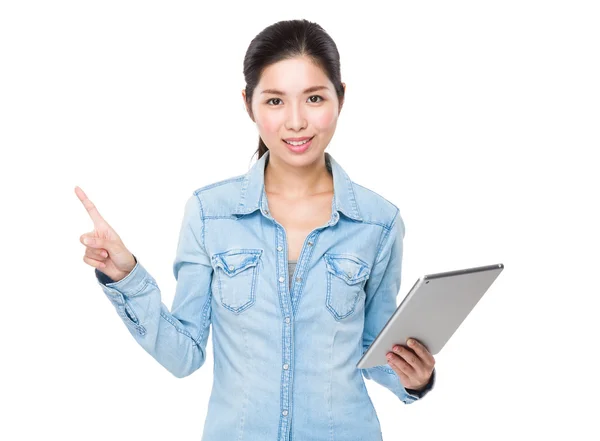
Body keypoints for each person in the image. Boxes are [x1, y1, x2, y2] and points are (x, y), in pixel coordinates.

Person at [76, 18, 436, 441]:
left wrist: (416, 379)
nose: (297, 121)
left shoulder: (379, 222)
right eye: (275, 101)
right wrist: (126, 277)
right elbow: (184, 355)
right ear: (249, 104)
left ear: (341, 98)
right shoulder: (210, 213)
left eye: (315, 97)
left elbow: (374, 351)